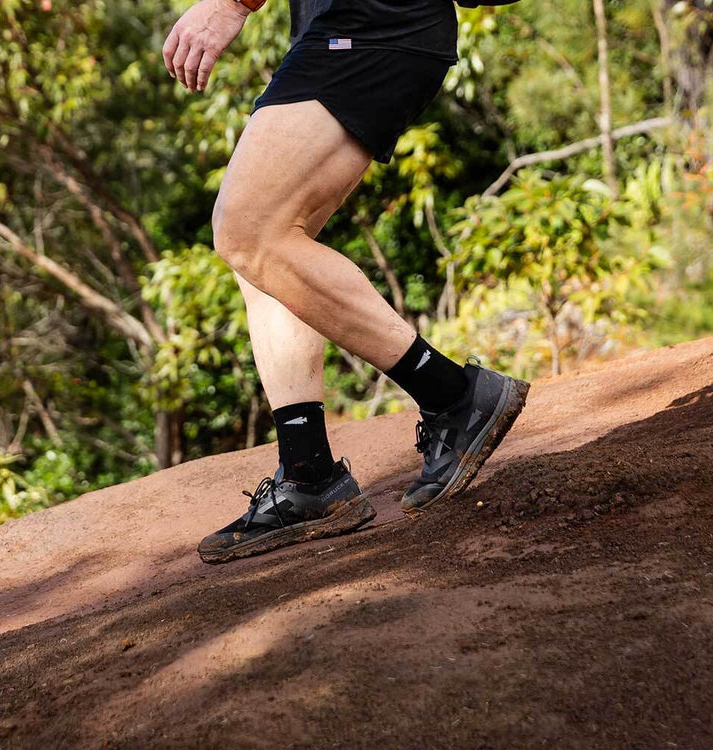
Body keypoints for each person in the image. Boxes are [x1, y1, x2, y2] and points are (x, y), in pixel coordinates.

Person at [162, 0, 529, 564]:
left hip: (373, 21)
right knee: (265, 250)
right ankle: (308, 473)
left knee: (250, 229)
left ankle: (454, 395)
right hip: (350, 29)